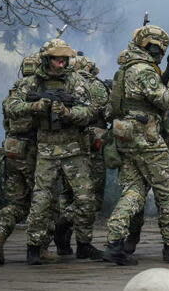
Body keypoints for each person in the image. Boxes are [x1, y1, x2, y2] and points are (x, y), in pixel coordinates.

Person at [101, 25, 169, 266]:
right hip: (147, 139)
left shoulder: (128, 69)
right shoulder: (144, 70)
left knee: (134, 191)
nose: (161, 52)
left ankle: (114, 243)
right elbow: (165, 100)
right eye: (159, 47)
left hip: (128, 139)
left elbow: (153, 99)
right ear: (152, 46)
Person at [4, 39, 101, 265]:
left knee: (86, 198)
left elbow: (88, 111)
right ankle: (34, 247)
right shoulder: (32, 83)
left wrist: (68, 113)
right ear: (47, 59)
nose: (62, 62)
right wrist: (35, 106)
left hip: (73, 148)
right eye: (58, 58)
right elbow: (11, 106)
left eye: (65, 59)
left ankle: (84, 244)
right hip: (46, 147)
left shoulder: (75, 80)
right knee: (41, 200)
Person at [0, 54, 58, 265]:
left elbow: (7, 122)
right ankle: (41, 246)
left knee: (17, 203)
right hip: (31, 152)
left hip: (11, 150)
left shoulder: (13, 95)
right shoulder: (40, 95)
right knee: (46, 201)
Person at [53, 55, 109, 257]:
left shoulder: (64, 84)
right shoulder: (94, 85)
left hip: (67, 147)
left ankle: (63, 243)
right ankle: (78, 238)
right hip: (92, 146)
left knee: (68, 193)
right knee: (91, 197)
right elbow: (108, 112)